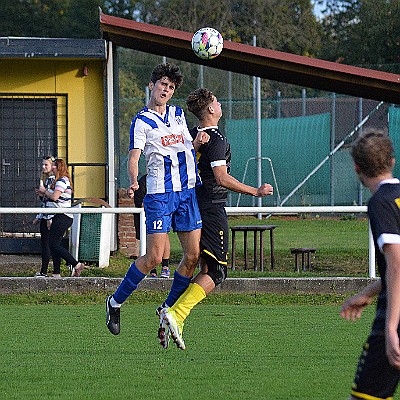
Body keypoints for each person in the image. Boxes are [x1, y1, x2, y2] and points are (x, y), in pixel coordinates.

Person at [158, 88, 274, 350]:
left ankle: (173, 313)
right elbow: (221, 177)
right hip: (211, 208)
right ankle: (176, 312)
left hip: (192, 204)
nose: (220, 104)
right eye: (217, 101)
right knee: (218, 271)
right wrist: (255, 191)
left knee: (203, 267)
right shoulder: (215, 138)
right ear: (210, 109)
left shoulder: (192, 136)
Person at [105, 63, 209, 337]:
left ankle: (168, 308)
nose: (166, 89)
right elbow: (134, 156)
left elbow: (187, 146)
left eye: (171, 87)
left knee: (192, 255)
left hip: (186, 193)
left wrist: (199, 142)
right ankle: (114, 303)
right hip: (160, 195)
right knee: (152, 258)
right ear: (151, 86)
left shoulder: (177, 115)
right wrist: (133, 180)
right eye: (163, 84)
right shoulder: (141, 121)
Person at [340, 130, 400, 399]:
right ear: (392, 160)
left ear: (356, 168)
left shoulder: (381, 202)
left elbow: (397, 263)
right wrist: (367, 293)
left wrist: (391, 328)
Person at [37, 158, 84, 278]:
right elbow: (52, 199)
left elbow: (54, 197)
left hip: (63, 216)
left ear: (58, 168)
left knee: (53, 244)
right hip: (58, 215)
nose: (51, 167)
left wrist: (44, 191)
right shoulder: (58, 181)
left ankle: (76, 264)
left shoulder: (62, 180)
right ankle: (56, 272)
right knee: (55, 244)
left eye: (53, 165)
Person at [134, 174, 171, 278]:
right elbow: (139, 202)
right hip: (150, 213)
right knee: (149, 239)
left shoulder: (167, 179)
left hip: (162, 211)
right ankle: (152, 269)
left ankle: (165, 267)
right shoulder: (144, 181)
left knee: (164, 236)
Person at [33, 155, 56, 277]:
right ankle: (46, 270)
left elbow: (53, 202)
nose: (43, 167)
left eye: (46, 164)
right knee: (47, 244)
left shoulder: (53, 181)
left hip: (49, 217)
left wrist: (49, 217)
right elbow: (45, 201)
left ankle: (45, 271)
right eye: (42, 164)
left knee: (48, 244)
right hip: (45, 215)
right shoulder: (47, 180)